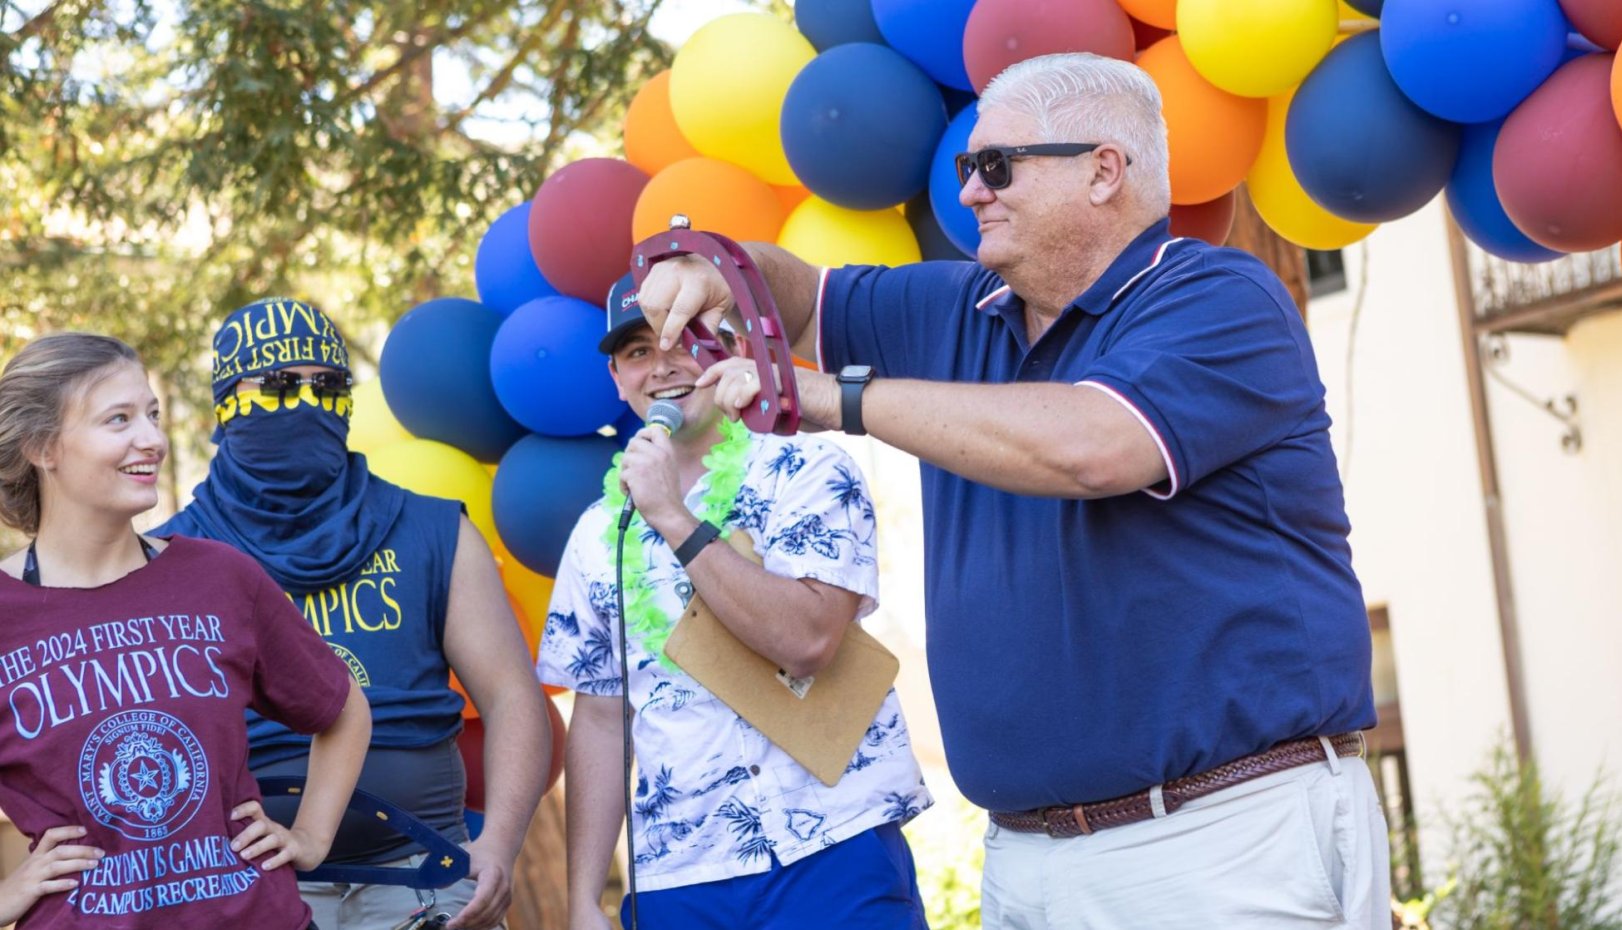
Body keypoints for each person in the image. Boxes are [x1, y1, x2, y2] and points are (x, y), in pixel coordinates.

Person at [637, 52, 1390, 930]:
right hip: (1028, 859)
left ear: (1106, 169)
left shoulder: (1220, 296)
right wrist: (727, 270)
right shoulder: (965, 305)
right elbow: (802, 302)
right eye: (966, 168)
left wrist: (837, 400)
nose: (969, 194)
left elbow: (1092, 448)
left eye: (997, 166)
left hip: (1223, 840)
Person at [538, 276, 932, 930]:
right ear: (616, 379)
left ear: (731, 349)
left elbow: (807, 642)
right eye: (637, 352)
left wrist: (672, 517)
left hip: (832, 845)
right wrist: (584, 897)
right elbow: (602, 721)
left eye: (680, 339)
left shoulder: (807, 469)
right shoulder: (595, 533)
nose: (661, 365)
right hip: (680, 877)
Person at [153, 297, 548, 930]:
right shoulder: (174, 558)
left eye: (328, 384)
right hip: (249, 885)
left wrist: (497, 843)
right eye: (279, 385)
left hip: (424, 873)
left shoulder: (433, 529)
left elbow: (511, 695)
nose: (306, 403)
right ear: (226, 403)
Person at [0, 332, 371, 929]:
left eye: (151, 414)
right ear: (43, 446)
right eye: (118, 419)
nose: (150, 439)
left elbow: (341, 707)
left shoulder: (220, 577)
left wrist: (310, 834)